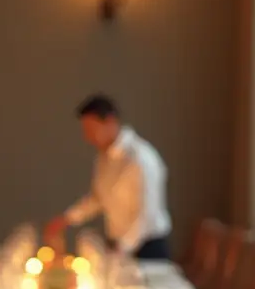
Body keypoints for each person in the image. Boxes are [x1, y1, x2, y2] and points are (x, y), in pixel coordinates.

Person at [45, 94, 171, 260]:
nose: (87, 137)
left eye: (91, 130)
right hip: (117, 243)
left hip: (147, 247)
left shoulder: (140, 158)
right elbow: (98, 198)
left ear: (110, 122)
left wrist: (120, 249)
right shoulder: (103, 158)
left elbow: (147, 215)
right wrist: (67, 218)